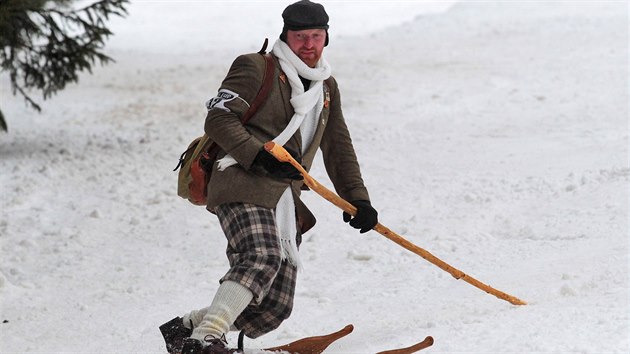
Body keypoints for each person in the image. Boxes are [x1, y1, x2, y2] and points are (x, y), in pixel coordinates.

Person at [160, 1, 378, 353]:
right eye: (300, 36)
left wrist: (359, 200)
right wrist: (257, 154)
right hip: (241, 179)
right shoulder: (255, 67)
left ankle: (185, 328)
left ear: (326, 38)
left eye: (316, 36)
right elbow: (218, 120)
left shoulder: (326, 87)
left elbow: (338, 146)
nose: (308, 45)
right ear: (285, 35)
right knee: (261, 255)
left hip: (284, 199)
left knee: (274, 306)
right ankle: (204, 341)